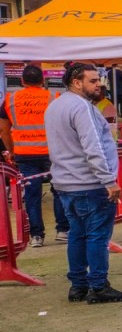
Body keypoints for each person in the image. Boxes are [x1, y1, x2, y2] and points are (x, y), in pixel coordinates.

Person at [44, 62, 122, 304]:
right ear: (76, 82)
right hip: (89, 183)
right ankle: (98, 286)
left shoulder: (55, 105)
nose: (98, 85)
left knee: (77, 235)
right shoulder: (81, 107)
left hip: (66, 183)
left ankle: (79, 285)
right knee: (96, 237)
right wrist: (109, 181)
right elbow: (93, 147)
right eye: (92, 81)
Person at [4, 65, 69, 246]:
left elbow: (3, 129)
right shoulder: (54, 98)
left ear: (22, 81)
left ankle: (36, 236)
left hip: (25, 155)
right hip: (53, 153)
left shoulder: (10, 99)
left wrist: (12, 150)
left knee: (32, 195)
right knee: (60, 190)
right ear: (43, 80)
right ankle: (63, 230)